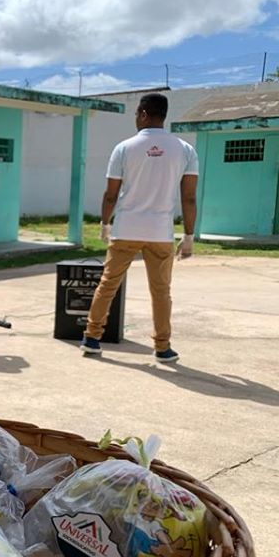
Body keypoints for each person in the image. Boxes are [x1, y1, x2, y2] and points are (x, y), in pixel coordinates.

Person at [81, 92, 198, 363]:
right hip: (160, 232)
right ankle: (162, 347)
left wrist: (104, 224)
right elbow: (189, 197)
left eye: (136, 113)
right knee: (161, 291)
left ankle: (92, 338)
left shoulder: (124, 148)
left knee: (108, 284)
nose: (136, 118)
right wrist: (189, 236)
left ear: (144, 113)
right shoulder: (185, 150)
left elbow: (111, 194)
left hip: (126, 229)